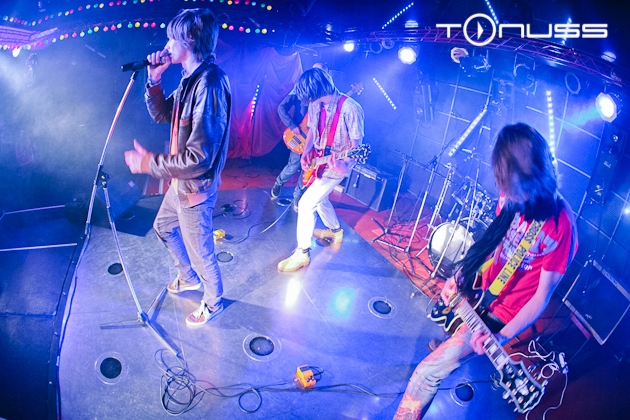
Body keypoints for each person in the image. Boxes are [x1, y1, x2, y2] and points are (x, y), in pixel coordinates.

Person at [393, 123, 578, 419]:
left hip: (503, 314)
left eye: (514, 189)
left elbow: (541, 298)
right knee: (450, 330)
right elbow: (496, 242)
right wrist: (463, 275)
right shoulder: (510, 196)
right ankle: (450, 344)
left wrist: (502, 335)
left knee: (425, 374)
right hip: (483, 292)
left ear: (536, 179)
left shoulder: (560, 227)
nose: (507, 195)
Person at [124, 8, 231, 327]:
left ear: (191, 39)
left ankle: (213, 302)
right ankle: (188, 278)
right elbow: (162, 115)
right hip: (180, 183)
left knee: (202, 254)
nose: (166, 45)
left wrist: (149, 164)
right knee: (163, 227)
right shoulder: (190, 79)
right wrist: (154, 80)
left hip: (195, 187)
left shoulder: (210, 84)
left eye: (172, 38)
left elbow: (200, 158)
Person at [277, 67, 364, 272]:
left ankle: (302, 253)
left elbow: (356, 148)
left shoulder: (351, 108)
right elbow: (312, 131)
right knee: (320, 199)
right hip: (319, 159)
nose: (308, 102)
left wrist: (343, 165)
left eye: (309, 98)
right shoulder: (316, 104)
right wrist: (306, 152)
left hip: (337, 164)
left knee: (306, 203)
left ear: (316, 92)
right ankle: (335, 231)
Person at [272, 63, 329, 210]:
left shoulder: (327, 93)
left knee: (308, 170)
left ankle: (297, 196)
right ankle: (279, 182)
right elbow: (282, 108)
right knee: (293, 166)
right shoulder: (301, 87)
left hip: (317, 139)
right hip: (301, 136)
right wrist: (292, 126)